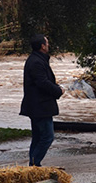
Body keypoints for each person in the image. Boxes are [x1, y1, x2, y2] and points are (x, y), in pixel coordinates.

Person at [20, 34, 64, 166]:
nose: (48, 45)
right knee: (47, 137)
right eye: (47, 43)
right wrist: (58, 90)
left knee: (38, 137)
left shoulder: (37, 59)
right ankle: (35, 164)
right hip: (40, 106)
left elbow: (43, 81)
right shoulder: (36, 62)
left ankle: (33, 165)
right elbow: (42, 82)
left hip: (37, 106)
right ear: (42, 46)